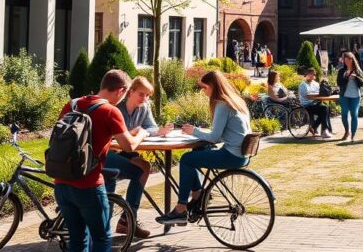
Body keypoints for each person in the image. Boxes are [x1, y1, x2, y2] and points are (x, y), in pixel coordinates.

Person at [54, 70, 146, 252]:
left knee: (77, 239)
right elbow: (128, 147)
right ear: (120, 90)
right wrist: (141, 134)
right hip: (88, 186)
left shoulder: (72, 105)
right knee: (102, 238)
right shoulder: (110, 111)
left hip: (62, 182)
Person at [156, 71, 251, 225]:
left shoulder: (222, 104)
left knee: (186, 159)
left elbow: (214, 138)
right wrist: (200, 133)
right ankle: (198, 194)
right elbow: (222, 135)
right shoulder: (235, 101)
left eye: (205, 88)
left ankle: (181, 208)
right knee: (198, 151)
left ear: (213, 86)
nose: (203, 91)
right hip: (241, 153)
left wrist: (194, 131)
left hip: (231, 155)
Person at [104, 76, 172, 238]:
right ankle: (126, 221)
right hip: (110, 153)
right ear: (130, 92)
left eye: (148, 95)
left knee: (144, 167)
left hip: (127, 151)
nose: (145, 98)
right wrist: (132, 133)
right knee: (141, 169)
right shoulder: (116, 108)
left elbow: (151, 127)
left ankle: (128, 220)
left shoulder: (144, 107)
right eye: (142, 94)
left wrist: (145, 132)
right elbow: (113, 137)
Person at [337, 51, 363, 141]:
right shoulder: (341, 71)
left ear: (353, 60)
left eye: (349, 59)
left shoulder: (358, 70)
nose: (348, 61)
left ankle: (353, 135)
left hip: (355, 96)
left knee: (354, 114)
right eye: (346, 60)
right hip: (344, 95)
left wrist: (356, 77)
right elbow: (339, 83)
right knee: (344, 114)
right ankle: (346, 131)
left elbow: (362, 82)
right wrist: (347, 78)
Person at [298, 68, 332, 138]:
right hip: (306, 105)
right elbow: (306, 96)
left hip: (315, 103)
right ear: (306, 75)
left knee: (326, 109)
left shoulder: (316, 84)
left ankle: (316, 128)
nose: (311, 76)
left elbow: (320, 93)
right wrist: (318, 95)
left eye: (313, 74)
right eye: (310, 74)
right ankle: (324, 130)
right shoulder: (302, 85)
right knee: (324, 109)